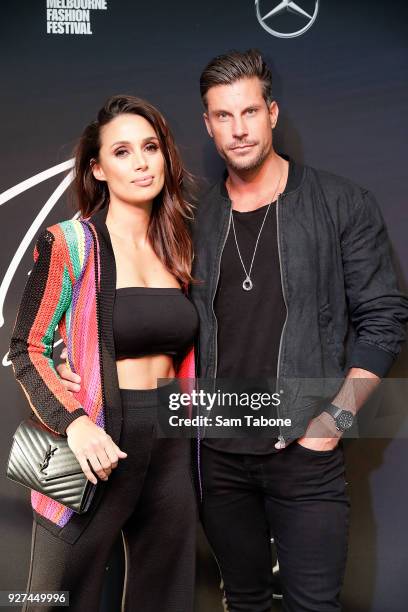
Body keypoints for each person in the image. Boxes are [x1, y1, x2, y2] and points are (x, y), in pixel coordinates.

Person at [57, 50, 408, 611]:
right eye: (223, 116)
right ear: (207, 124)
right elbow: (138, 310)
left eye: (249, 112)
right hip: (215, 455)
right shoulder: (189, 218)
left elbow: (384, 320)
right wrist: (79, 360)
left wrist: (335, 419)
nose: (238, 129)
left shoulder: (341, 204)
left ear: (272, 113)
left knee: (314, 605)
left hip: (306, 451)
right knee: (242, 601)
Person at [9, 94, 199, 612]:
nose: (140, 162)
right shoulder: (71, 243)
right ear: (98, 167)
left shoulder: (180, 246)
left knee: (163, 598)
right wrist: (75, 423)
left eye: (150, 147)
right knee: (49, 599)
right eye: (122, 151)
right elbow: (27, 347)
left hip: (170, 442)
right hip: (94, 447)